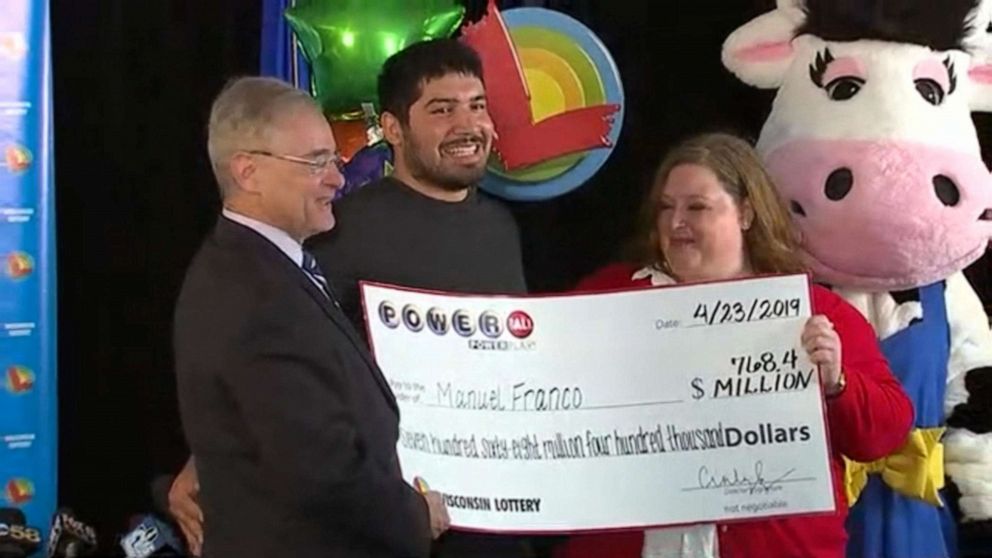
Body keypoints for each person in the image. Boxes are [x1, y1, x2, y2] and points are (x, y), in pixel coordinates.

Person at [554, 133, 915, 558]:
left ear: (746, 212)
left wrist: (838, 383)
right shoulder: (607, 296)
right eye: (666, 207)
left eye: (697, 207)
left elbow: (886, 434)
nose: (675, 223)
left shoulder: (812, 311)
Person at [173, 76, 449, 558]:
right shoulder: (254, 297)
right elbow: (322, 472)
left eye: (334, 158)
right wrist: (414, 515)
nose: (338, 178)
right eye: (316, 161)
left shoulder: (262, 266)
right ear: (247, 172)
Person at [306, 40, 533, 557]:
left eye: (477, 106)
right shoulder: (341, 232)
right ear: (392, 128)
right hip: (389, 527)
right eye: (442, 110)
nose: (467, 125)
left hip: (498, 521)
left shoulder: (502, 228)